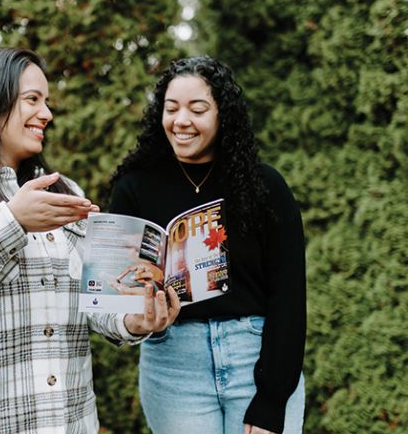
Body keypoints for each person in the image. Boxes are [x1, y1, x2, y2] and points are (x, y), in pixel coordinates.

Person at [0, 47, 180, 434]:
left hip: (67, 422)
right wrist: (12, 221)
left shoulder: (63, 190)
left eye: (46, 101)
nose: (47, 114)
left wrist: (135, 318)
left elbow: (95, 300)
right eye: (32, 100)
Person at [109, 56, 306, 434]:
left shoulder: (266, 187)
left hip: (257, 359)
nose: (181, 120)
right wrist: (138, 315)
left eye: (197, 109)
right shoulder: (134, 188)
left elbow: (290, 299)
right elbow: (117, 295)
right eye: (171, 108)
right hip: (174, 367)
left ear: (222, 116)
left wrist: (271, 401)